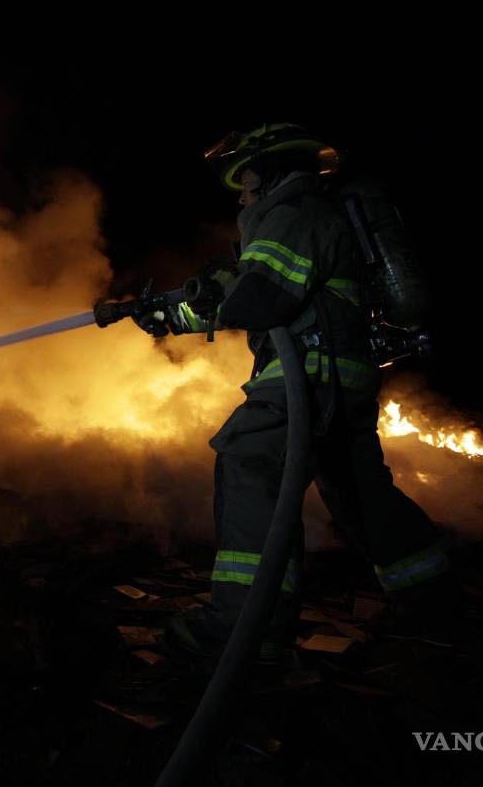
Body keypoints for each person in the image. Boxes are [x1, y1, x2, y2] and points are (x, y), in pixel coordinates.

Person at [138, 123, 457, 661]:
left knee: (249, 459)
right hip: (339, 376)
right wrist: (168, 314)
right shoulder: (313, 216)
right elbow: (250, 293)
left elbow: (259, 299)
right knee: (359, 492)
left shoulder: (292, 215)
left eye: (246, 180)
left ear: (271, 171)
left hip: (306, 375)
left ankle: (244, 631)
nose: (243, 193)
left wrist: (201, 298)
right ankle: (432, 605)